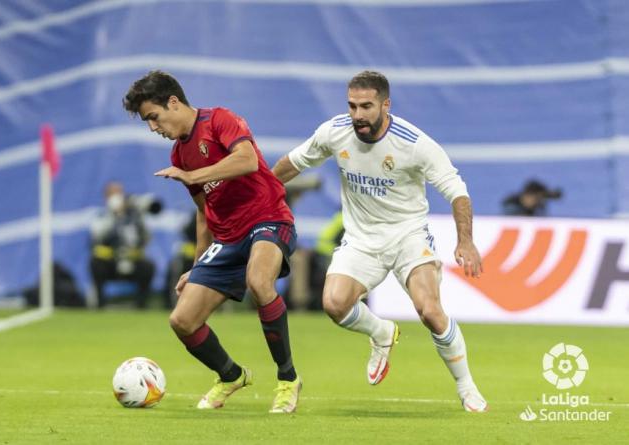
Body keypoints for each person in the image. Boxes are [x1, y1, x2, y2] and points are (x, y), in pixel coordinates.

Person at [272, 70, 488, 412]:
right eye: (352, 106)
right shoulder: (335, 132)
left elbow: (457, 191)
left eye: (366, 106)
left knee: (430, 311)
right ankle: (382, 333)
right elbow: (292, 164)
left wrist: (466, 241)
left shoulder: (414, 143)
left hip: (408, 235)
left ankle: (467, 387)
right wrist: (259, 193)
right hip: (361, 239)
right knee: (334, 304)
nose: (357, 115)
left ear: (385, 105)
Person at [123, 70, 301, 413]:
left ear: (173, 102)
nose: (152, 128)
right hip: (228, 237)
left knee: (258, 281)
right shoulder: (179, 155)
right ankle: (231, 375)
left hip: (268, 218)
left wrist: (192, 175)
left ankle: (288, 379)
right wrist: (197, 266)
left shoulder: (221, 119)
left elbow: (248, 160)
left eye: (153, 117)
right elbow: (205, 213)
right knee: (182, 320)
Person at [89, 181, 155, 309]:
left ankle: (141, 305)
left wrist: (140, 215)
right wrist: (113, 215)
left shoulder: (134, 216)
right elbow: (97, 235)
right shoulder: (102, 216)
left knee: (148, 267)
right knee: (96, 264)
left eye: (119, 193)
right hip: (110, 262)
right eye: (113, 193)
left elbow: (147, 237)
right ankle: (100, 304)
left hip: (132, 260)